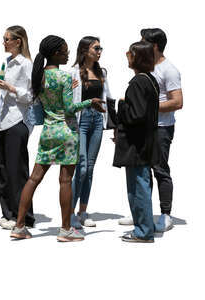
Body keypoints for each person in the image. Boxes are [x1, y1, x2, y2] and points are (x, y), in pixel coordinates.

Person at [9, 35, 105, 242]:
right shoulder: (64, 78)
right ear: (55, 53)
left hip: (48, 132)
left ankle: (19, 226)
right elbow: (70, 109)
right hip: (67, 131)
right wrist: (90, 102)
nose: (68, 54)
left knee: (33, 179)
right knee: (65, 180)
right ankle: (65, 229)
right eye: (65, 51)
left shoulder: (39, 76)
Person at [118, 28, 183, 232]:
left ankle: (165, 214)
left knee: (160, 169)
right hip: (144, 128)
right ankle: (144, 212)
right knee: (142, 170)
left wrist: (147, 109)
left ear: (154, 46)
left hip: (161, 127)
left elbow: (178, 102)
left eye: (143, 41)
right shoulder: (146, 67)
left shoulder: (169, 69)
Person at [113, 41, 160, 243]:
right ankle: (145, 227)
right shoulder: (150, 80)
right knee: (142, 185)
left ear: (138, 57)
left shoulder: (139, 82)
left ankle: (143, 231)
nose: (127, 56)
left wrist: (121, 105)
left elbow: (136, 115)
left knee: (138, 187)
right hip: (145, 144)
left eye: (130, 53)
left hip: (136, 146)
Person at [0, 25, 35, 230]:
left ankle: (24, 216)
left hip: (17, 121)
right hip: (3, 121)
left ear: (18, 41)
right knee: (4, 169)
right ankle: (8, 212)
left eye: (7, 39)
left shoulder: (26, 64)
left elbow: (30, 96)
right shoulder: (7, 61)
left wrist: (10, 88)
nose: (4, 42)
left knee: (17, 170)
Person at [69, 36, 112, 228]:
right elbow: (68, 100)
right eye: (96, 48)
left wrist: (115, 125)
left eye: (100, 48)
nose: (99, 51)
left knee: (91, 168)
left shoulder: (101, 72)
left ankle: (83, 211)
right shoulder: (73, 73)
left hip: (97, 120)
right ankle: (69, 212)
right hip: (81, 120)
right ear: (85, 50)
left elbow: (108, 98)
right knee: (82, 167)